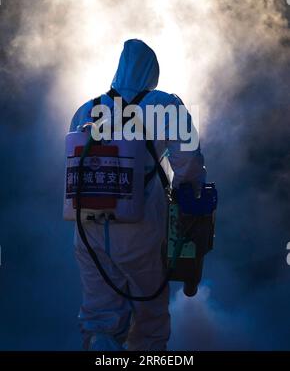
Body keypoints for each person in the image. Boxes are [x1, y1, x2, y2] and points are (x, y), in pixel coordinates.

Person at [70, 39, 206, 351]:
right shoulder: (166, 105)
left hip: (87, 229)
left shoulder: (88, 108)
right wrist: (191, 196)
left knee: (99, 318)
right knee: (149, 320)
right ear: (151, 73)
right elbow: (189, 163)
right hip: (139, 227)